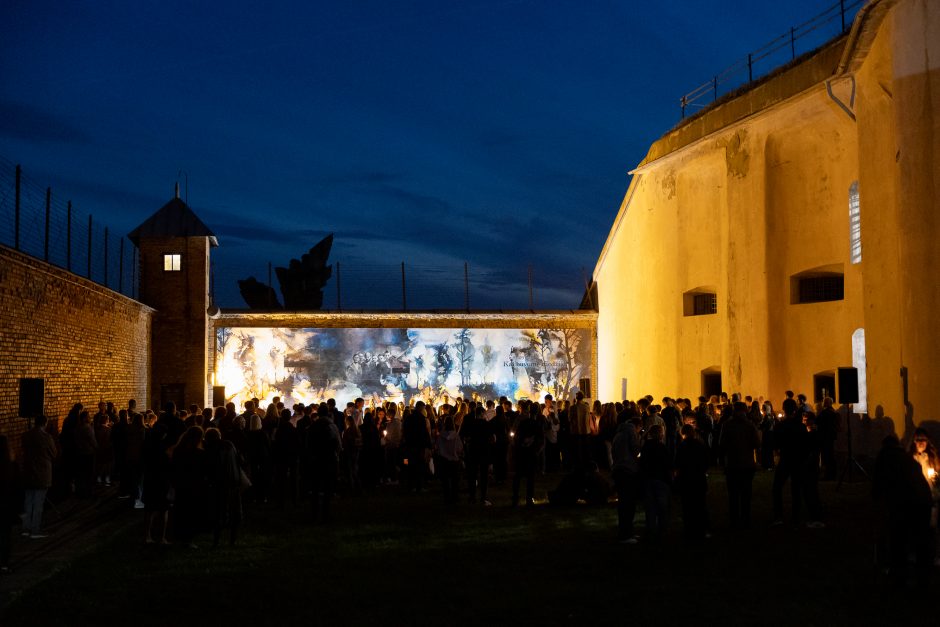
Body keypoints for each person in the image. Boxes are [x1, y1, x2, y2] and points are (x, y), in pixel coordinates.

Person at [719, 401, 760, 530]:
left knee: (733, 495)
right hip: (747, 464)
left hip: (732, 464)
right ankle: (746, 519)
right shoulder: (750, 425)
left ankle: (734, 521)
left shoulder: (727, 425)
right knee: (746, 494)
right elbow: (757, 444)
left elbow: (722, 444)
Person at [20, 415, 57, 539]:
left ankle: (26, 528)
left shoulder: (25, 435)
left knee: (28, 501)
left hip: (28, 472)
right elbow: (54, 454)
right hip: (42, 472)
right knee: (38, 503)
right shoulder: (47, 437)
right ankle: (35, 530)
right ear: (45, 423)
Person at [772, 398, 807, 526]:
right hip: (797, 459)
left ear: (784, 409)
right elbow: (805, 444)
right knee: (796, 489)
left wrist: (777, 454)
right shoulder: (801, 426)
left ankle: (778, 516)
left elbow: (776, 443)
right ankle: (796, 517)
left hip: (785, 458)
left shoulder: (780, 425)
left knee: (777, 488)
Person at [675, 424, 710, 543]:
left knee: (687, 507)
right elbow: (706, 461)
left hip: (686, 480)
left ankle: (689, 531)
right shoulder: (700, 445)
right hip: (699, 479)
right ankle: (701, 530)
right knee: (700, 506)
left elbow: (677, 463)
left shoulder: (682, 446)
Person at [611, 417, 642, 543]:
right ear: (637, 426)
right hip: (628, 470)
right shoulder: (631, 433)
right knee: (628, 504)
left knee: (624, 503)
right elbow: (636, 451)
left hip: (619, 469)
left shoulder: (619, 434)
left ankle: (627, 532)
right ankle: (625, 534)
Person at [640, 424, 671, 542]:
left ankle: (651, 529)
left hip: (648, 479)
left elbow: (642, 463)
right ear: (660, 434)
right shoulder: (662, 447)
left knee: (650, 507)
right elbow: (667, 463)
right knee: (662, 507)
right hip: (660, 479)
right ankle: (662, 530)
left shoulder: (646, 447)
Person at [512, 403, 543, 507]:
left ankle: (515, 498)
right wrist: (537, 451)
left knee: (518, 476)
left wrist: (521, 444)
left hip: (521, 453)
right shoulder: (537, 425)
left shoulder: (523, 423)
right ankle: (529, 499)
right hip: (531, 454)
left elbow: (516, 437)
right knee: (530, 477)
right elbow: (541, 441)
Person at [0, 435, 19, 572]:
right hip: (5, 505)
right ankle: (4, 563)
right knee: (5, 535)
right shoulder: (10, 465)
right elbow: (16, 486)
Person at [435, 415, 463, 505]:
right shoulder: (456, 436)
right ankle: (455, 497)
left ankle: (447, 497)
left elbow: (438, 447)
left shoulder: (441, 436)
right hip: (454, 460)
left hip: (444, 460)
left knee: (445, 480)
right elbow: (459, 448)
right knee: (455, 480)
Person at [815, 397, 840, 480]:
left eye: (824, 402)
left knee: (827, 457)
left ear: (826, 403)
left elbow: (817, 421)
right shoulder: (834, 412)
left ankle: (828, 475)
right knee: (831, 456)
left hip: (824, 437)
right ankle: (833, 474)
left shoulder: (824, 412)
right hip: (831, 437)